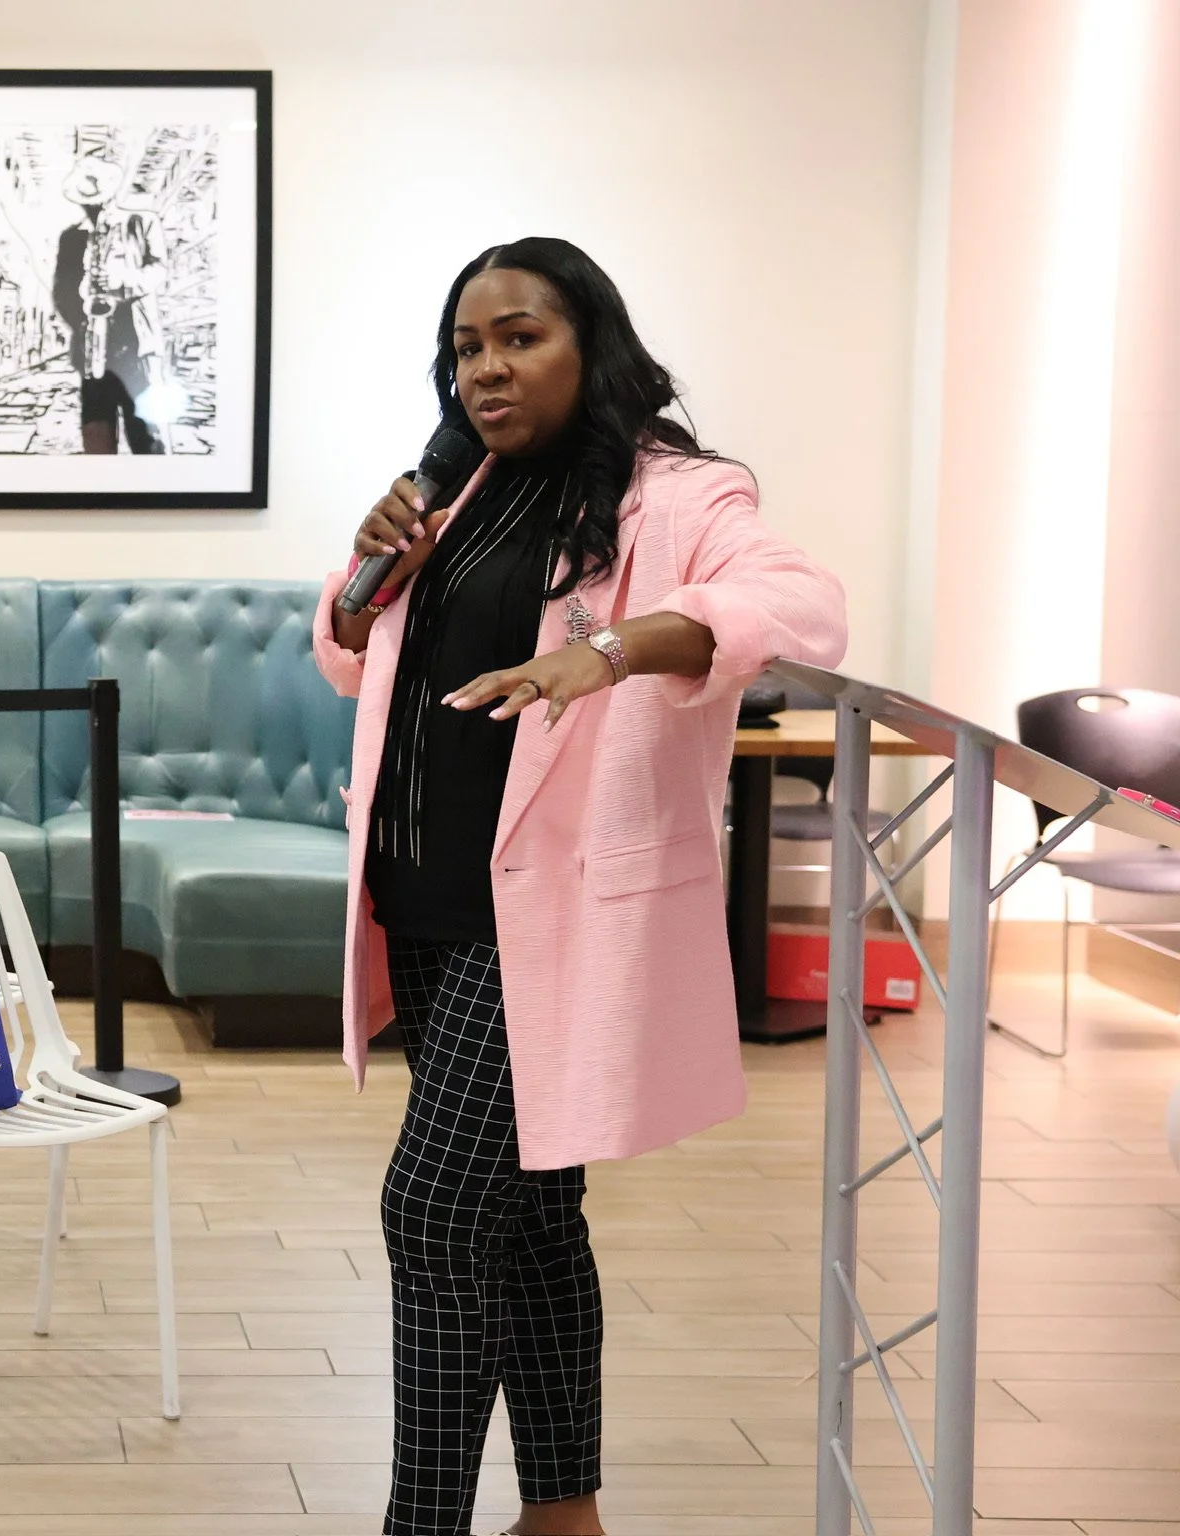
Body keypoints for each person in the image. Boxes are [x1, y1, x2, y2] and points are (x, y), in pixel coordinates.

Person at [313, 238, 846, 1536]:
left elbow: (803, 607)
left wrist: (609, 652)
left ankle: (421, 1524)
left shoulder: (678, 493)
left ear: (589, 343)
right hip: (423, 899)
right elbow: (354, 659)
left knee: (434, 1210)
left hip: (540, 923)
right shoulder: (456, 490)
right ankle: (566, 1516)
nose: (486, 370)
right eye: (466, 348)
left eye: (520, 337)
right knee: (535, 1213)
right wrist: (364, 581)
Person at [51, 157, 168, 455]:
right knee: (97, 438)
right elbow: (61, 292)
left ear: (111, 195)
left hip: (136, 345)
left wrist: (121, 281)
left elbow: (158, 271)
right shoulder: (71, 237)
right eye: (88, 203)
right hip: (93, 351)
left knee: (146, 435)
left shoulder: (142, 222)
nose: (94, 209)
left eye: (99, 202)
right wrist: (83, 316)